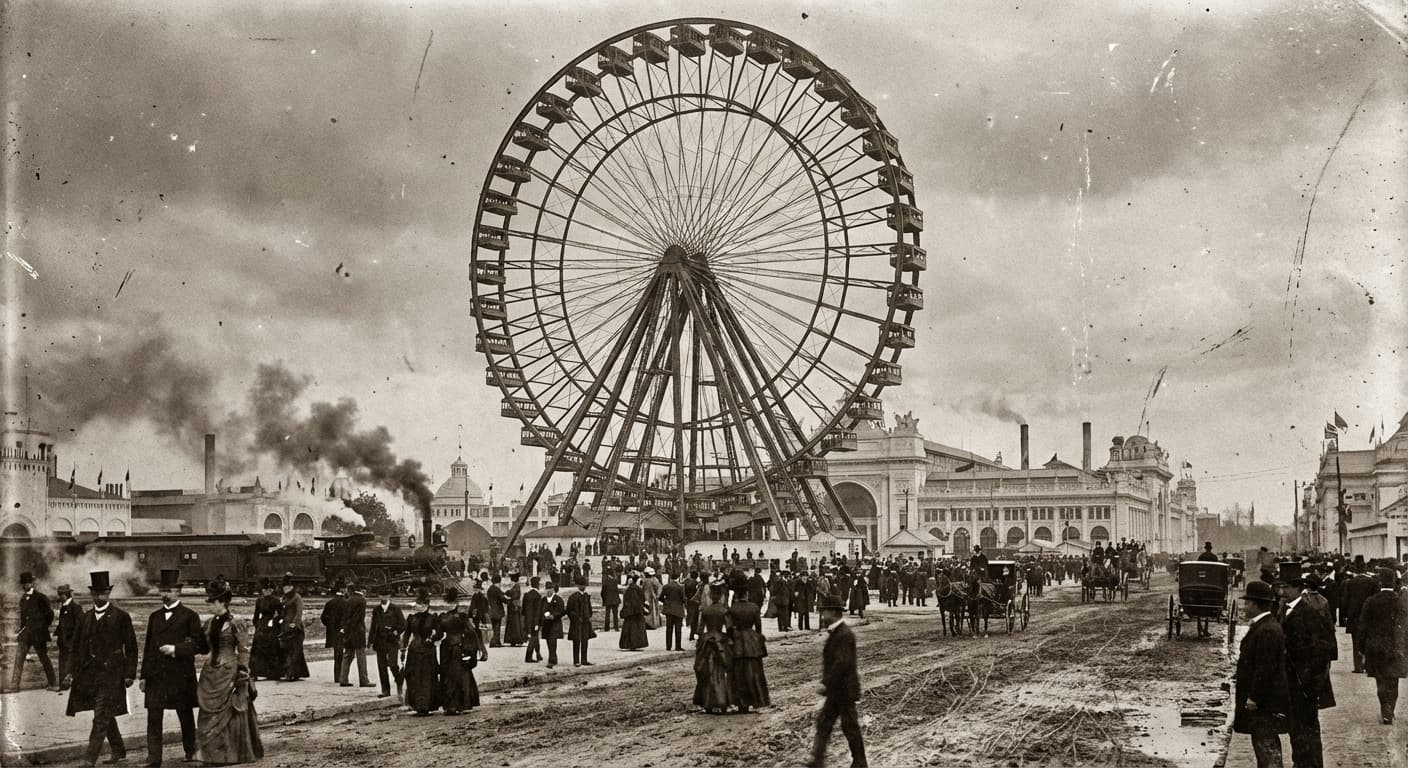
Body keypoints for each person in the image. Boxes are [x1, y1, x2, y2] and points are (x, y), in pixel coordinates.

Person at [140, 568, 208, 768]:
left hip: (180, 675)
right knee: (153, 717)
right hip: (156, 676)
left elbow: (199, 645)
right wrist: (143, 676)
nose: (165, 594)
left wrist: (176, 649)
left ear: (178, 591)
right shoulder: (154, 617)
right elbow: (148, 648)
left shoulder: (190, 616)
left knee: (185, 714)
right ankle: (154, 758)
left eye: (169, 590)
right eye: (162, 590)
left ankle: (190, 750)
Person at [195, 580, 262, 765]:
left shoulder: (236, 624)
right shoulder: (208, 624)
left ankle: (229, 754)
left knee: (230, 711)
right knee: (207, 712)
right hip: (210, 673)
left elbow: (244, 649)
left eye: (211, 602)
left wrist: (242, 670)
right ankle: (211, 755)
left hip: (229, 671)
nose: (209, 605)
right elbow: (201, 647)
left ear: (221, 602)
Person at [1275, 571, 1335, 768]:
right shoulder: (1285, 609)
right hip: (1293, 684)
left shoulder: (1308, 613)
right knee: (1296, 730)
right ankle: (1301, 763)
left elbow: (1321, 650)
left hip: (1304, 686)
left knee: (1306, 729)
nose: (1281, 591)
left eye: (1286, 587)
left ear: (1298, 589)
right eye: (1280, 587)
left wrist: (1309, 683)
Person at [1233, 580, 1291, 768]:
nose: (1244, 606)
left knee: (1266, 747)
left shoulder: (1266, 630)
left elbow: (1264, 669)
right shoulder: (1266, 625)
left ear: (1256, 605)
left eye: (1247, 603)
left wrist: (1253, 698)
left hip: (1264, 704)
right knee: (1264, 746)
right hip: (1266, 702)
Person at [806, 594, 866, 768]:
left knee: (850, 727)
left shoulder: (843, 634)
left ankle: (860, 762)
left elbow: (842, 663)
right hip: (838, 691)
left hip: (844, 690)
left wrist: (826, 682)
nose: (822, 616)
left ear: (832, 612)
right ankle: (817, 760)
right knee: (825, 723)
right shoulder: (839, 633)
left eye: (824, 612)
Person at [1357, 567, 1405, 724]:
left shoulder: (1371, 601)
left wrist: (1361, 648)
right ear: (1393, 582)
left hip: (1375, 647)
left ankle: (1385, 708)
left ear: (1379, 582)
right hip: (1396, 648)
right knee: (1394, 680)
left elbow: (1362, 626)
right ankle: (1390, 709)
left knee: (1381, 680)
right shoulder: (1401, 601)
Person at [434, 587, 481, 716]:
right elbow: (439, 633)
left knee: (455, 675)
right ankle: (452, 705)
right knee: (448, 675)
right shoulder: (445, 617)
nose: (450, 605)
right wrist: (431, 638)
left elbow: (471, 632)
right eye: (449, 603)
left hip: (457, 648)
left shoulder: (460, 617)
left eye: (452, 603)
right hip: (448, 649)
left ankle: (456, 704)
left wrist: (471, 648)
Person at [11, 570, 58, 691]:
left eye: (26, 583)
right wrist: (21, 631)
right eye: (22, 583)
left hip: (38, 634)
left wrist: (41, 627)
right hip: (25, 634)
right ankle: (14, 686)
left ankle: (53, 683)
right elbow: (23, 618)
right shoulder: (22, 599)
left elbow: (50, 615)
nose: (23, 586)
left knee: (44, 658)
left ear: (31, 584)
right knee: (19, 658)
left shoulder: (41, 598)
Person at [693, 579, 733, 714]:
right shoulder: (724, 610)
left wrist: (700, 643)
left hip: (707, 640)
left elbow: (699, 630)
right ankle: (722, 701)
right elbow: (729, 628)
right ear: (721, 595)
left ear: (710, 595)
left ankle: (707, 702)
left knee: (706, 672)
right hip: (720, 641)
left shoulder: (706, 610)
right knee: (721, 672)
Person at [399, 589, 440, 716]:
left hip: (428, 651)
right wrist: (403, 649)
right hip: (414, 651)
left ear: (426, 605)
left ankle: (426, 705)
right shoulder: (412, 618)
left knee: (428, 678)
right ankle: (417, 705)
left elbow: (440, 633)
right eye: (417, 604)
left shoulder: (433, 618)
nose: (417, 606)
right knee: (414, 678)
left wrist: (432, 638)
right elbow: (406, 635)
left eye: (420, 604)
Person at [729, 592, 769, 712]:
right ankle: (756, 700)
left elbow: (729, 628)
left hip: (738, 641)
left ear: (736, 595)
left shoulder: (732, 608)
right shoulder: (754, 607)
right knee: (754, 673)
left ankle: (742, 703)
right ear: (746, 594)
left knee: (739, 674)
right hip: (752, 641)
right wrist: (758, 639)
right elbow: (758, 625)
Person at [369, 585, 405, 699]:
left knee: (393, 664)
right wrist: (370, 641)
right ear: (379, 596)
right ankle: (386, 690)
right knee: (381, 666)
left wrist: (395, 632)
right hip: (380, 641)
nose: (383, 597)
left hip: (392, 641)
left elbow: (403, 624)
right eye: (381, 595)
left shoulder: (395, 609)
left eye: (386, 595)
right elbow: (373, 626)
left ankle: (399, 680)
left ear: (389, 596)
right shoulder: (376, 610)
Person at [337, 578, 373, 688]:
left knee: (347, 655)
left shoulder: (347, 599)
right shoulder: (361, 600)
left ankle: (343, 679)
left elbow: (344, 617)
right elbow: (358, 618)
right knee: (361, 656)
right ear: (361, 589)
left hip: (348, 631)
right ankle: (364, 680)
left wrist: (346, 629)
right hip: (358, 631)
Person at [248, 579, 283, 682]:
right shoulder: (259, 600)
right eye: (264, 590)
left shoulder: (276, 601)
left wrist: (274, 621)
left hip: (271, 625)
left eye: (268, 590)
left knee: (271, 649)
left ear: (271, 590)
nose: (266, 591)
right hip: (261, 625)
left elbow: (281, 614)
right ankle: (255, 673)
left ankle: (272, 673)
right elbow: (256, 615)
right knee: (257, 649)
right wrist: (257, 624)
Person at [277, 574, 309, 681]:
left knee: (295, 650)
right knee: (286, 650)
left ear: (291, 587)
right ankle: (288, 671)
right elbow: (282, 611)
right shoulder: (284, 598)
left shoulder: (297, 598)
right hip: (285, 627)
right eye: (284, 588)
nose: (285, 589)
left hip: (295, 629)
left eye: (286, 587)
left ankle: (293, 672)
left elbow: (299, 612)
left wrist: (294, 623)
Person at [55, 584, 81, 691]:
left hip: (71, 641)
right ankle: (63, 684)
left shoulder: (75, 607)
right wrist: (57, 632)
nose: (59, 597)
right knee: (62, 661)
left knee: (72, 662)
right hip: (63, 641)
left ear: (66, 595)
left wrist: (74, 639)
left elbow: (79, 624)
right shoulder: (63, 607)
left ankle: (75, 684)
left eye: (61, 594)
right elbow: (62, 623)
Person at [320, 581, 346, 682]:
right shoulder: (345, 603)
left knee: (337, 655)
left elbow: (323, 617)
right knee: (343, 655)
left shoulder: (329, 603)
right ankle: (342, 677)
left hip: (332, 632)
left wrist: (329, 625)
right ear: (342, 590)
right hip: (342, 631)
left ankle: (337, 677)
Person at [567, 574, 595, 666]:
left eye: (585, 585)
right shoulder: (573, 597)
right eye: (582, 585)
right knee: (577, 641)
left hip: (585, 622)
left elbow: (589, 608)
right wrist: (576, 618)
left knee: (585, 641)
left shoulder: (586, 596)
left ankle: (584, 659)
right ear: (578, 585)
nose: (584, 587)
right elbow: (569, 610)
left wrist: (589, 615)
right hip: (577, 623)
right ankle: (576, 661)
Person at [619, 572, 649, 651]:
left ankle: (628, 644)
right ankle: (635, 644)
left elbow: (626, 600)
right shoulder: (638, 589)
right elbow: (641, 600)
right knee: (636, 628)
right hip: (637, 612)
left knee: (628, 628)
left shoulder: (628, 589)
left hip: (629, 611)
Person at [540, 581, 567, 668]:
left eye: (550, 589)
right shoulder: (543, 600)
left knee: (552, 640)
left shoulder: (558, 599)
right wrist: (543, 615)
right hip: (546, 624)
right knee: (548, 641)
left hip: (555, 624)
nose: (548, 591)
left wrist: (554, 615)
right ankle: (552, 657)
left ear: (553, 590)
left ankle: (552, 659)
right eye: (547, 589)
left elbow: (562, 611)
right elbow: (540, 610)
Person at [659, 573, 687, 651]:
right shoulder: (680, 587)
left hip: (668, 609)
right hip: (678, 610)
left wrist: (666, 602)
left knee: (669, 628)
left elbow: (660, 598)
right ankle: (678, 646)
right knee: (678, 629)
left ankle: (668, 646)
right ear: (678, 578)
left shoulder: (666, 587)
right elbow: (683, 599)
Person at [522, 576, 544, 662]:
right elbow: (538, 611)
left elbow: (523, 610)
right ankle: (528, 657)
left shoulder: (526, 594)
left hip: (527, 619)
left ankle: (538, 654)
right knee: (534, 638)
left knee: (534, 637)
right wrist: (537, 623)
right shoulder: (538, 596)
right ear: (537, 584)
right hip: (534, 620)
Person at [503, 572, 525, 647]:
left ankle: (514, 639)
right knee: (514, 624)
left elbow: (514, 596)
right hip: (514, 606)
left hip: (514, 607)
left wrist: (508, 596)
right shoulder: (516, 586)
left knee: (514, 624)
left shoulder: (516, 587)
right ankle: (514, 640)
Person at [486, 575, 507, 648]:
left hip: (491, 610)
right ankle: (494, 642)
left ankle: (497, 642)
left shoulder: (490, 589)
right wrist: (508, 600)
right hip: (497, 610)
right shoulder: (496, 589)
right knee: (497, 627)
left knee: (494, 627)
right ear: (498, 582)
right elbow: (503, 598)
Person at [600, 566, 621, 632]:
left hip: (608, 599)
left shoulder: (605, 581)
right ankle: (616, 627)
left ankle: (606, 628)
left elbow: (603, 592)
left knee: (607, 614)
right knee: (615, 615)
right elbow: (617, 591)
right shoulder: (615, 581)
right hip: (615, 599)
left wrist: (603, 599)